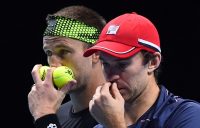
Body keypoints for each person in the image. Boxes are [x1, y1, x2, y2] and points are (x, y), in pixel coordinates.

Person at [83, 12, 200, 128]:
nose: (111, 76)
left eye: (122, 65)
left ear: (153, 62)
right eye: (106, 64)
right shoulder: (102, 126)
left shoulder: (188, 115)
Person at [28, 5, 106, 128]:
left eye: (63, 51)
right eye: (49, 52)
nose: (53, 64)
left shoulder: (122, 113)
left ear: (95, 53)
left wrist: (45, 116)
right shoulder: (56, 114)